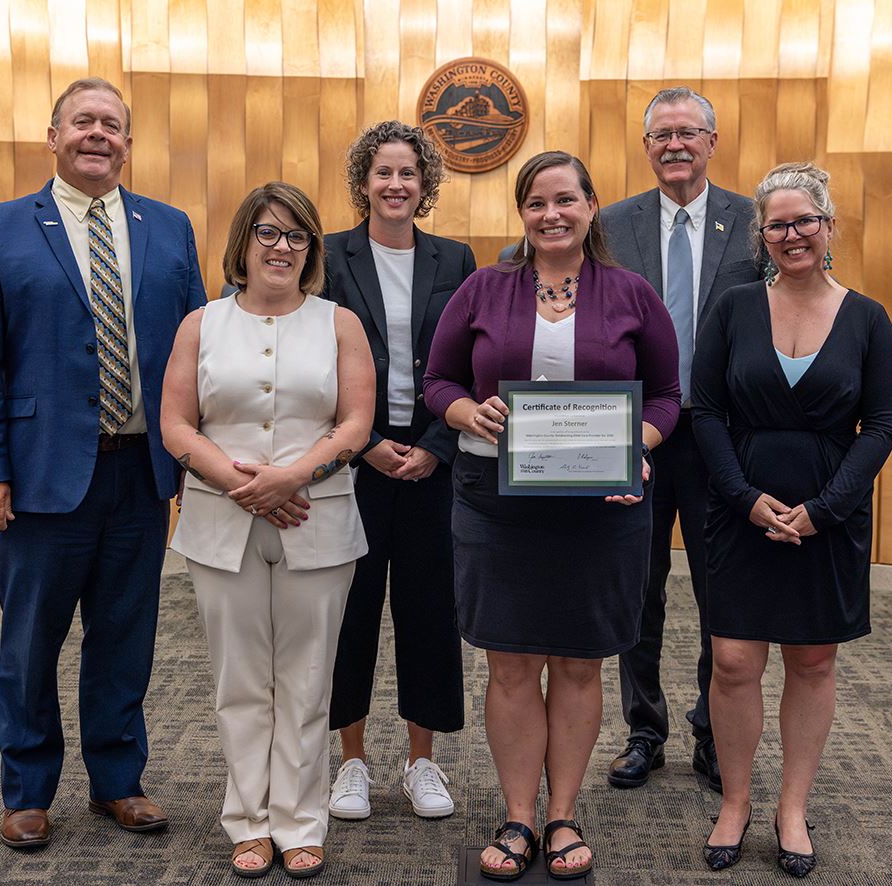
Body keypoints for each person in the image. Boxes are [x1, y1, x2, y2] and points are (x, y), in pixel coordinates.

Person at [0, 77, 206, 849]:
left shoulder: (168, 227)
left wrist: (198, 459)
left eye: (113, 125)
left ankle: (118, 780)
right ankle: (28, 790)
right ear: (52, 135)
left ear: (128, 142)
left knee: (126, 634)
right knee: (31, 641)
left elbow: (197, 354)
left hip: (141, 471)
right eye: (83, 122)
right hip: (39, 478)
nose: (99, 134)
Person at [424, 151, 680, 882]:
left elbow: (664, 394)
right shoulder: (483, 288)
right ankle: (517, 816)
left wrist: (640, 446)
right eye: (537, 203)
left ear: (592, 206)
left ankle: (561, 813)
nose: (552, 214)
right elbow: (437, 379)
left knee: (577, 662)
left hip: (600, 512)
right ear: (523, 213)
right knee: (510, 664)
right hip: (497, 508)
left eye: (566, 199)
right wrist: (467, 409)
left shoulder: (632, 294)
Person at [691, 162, 892, 877]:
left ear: (828, 225)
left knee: (812, 661)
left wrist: (825, 510)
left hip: (828, 515)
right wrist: (743, 496)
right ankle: (737, 801)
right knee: (733, 662)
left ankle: (791, 807)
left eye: (803, 221)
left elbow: (879, 426)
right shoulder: (733, 307)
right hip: (738, 507)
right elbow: (708, 410)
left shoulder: (869, 318)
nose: (791, 235)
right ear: (763, 235)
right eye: (776, 224)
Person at [160, 182, 374, 880]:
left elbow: (354, 425)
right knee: (240, 682)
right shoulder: (201, 323)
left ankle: (300, 823)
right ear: (243, 242)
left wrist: (292, 479)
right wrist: (243, 485)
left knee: (308, 682)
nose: (282, 247)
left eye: (297, 235)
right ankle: (249, 823)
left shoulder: (339, 322)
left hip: (320, 518)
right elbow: (175, 424)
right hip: (222, 524)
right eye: (268, 232)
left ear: (312, 247)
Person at [601, 86, 760, 795]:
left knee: (719, 587)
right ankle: (644, 729)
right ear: (646, 146)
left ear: (712, 142)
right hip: (631, 430)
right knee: (638, 587)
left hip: (717, 437)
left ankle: (712, 729)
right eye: (661, 134)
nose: (675, 145)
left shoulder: (754, 224)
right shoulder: (609, 224)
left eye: (688, 132)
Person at [322, 121, 475, 821]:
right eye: (382, 172)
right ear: (362, 182)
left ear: (425, 185)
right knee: (349, 613)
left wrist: (436, 446)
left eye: (408, 173)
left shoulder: (456, 259)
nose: (395, 185)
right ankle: (350, 759)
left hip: (433, 464)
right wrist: (368, 441)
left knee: (428, 612)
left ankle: (422, 761)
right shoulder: (326, 256)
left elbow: (473, 362)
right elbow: (308, 364)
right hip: (352, 462)